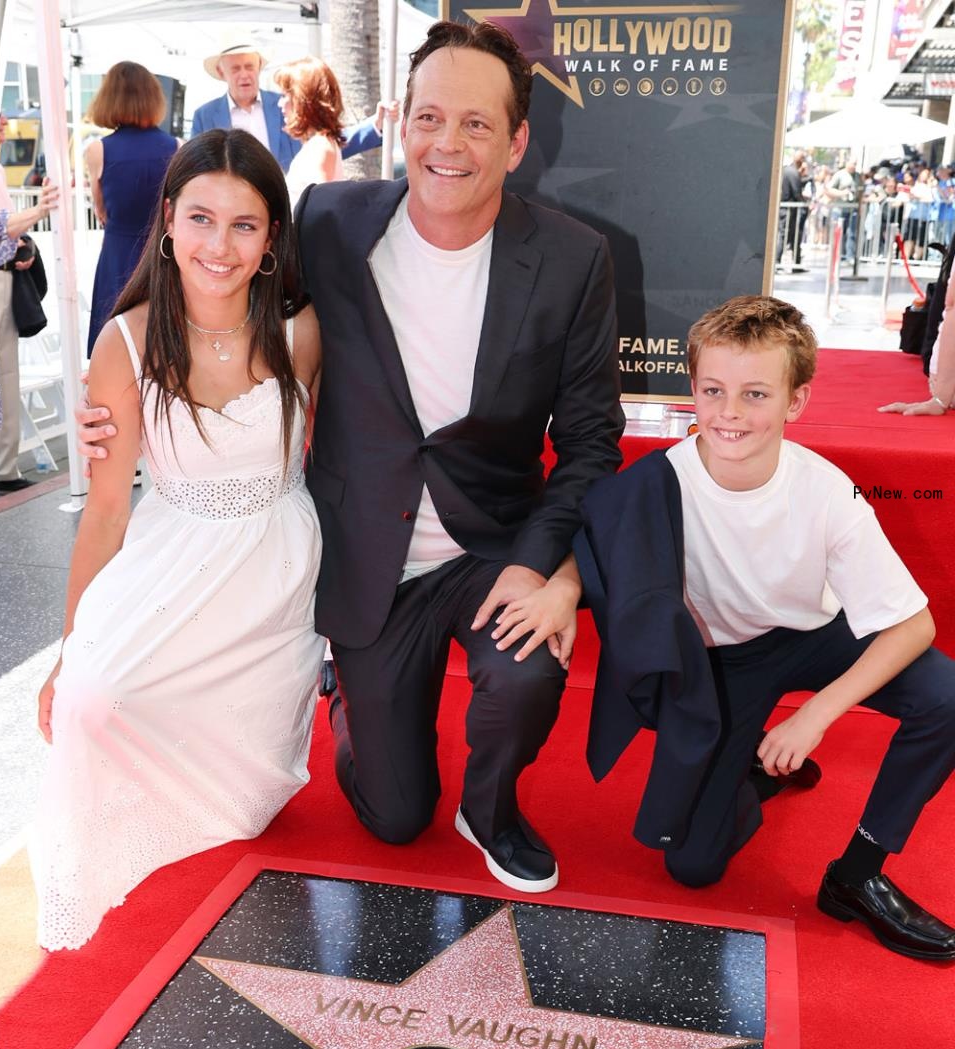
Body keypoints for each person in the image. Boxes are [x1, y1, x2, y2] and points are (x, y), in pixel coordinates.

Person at [82, 21, 623, 890]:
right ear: (401, 121)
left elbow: (593, 443)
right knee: (392, 816)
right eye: (430, 117)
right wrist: (132, 391)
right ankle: (355, 709)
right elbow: (232, 298)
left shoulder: (573, 260)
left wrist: (547, 568)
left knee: (526, 674)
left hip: (493, 543)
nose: (448, 143)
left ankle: (491, 808)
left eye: (477, 125)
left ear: (517, 141)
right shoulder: (331, 222)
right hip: (366, 551)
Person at [576, 296, 955, 960]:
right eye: (714, 390)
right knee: (692, 866)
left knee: (945, 695)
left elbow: (914, 623)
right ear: (691, 388)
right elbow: (587, 548)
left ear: (796, 402)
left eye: (756, 394)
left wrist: (817, 714)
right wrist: (554, 587)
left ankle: (858, 875)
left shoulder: (825, 491)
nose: (729, 413)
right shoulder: (657, 482)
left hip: (819, 634)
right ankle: (757, 771)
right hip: (729, 661)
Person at [33, 130, 322, 952]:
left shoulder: (301, 332)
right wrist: (68, 649)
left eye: (243, 225)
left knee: (245, 806)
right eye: (200, 218)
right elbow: (105, 513)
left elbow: (326, 457)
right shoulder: (124, 342)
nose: (218, 246)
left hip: (271, 569)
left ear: (272, 240)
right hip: (169, 549)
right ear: (167, 222)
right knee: (92, 702)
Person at [0, 168, 59, 504]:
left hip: (4, 277)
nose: (5, 122)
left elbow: (4, 224)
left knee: (6, 376)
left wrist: (25, 243)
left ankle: (3, 466)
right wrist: (38, 211)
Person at [82, 61, 178, 354]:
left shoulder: (98, 150)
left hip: (118, 255)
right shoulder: (176, 146)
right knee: (163, 346)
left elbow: (101, 211)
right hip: (162, 255)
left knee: (116, 345)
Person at [190, 43, 392, 169]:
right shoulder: (204, 116)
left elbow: (327, 143)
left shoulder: (286, 105)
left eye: (249, 66)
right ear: (221, 72)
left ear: (259, 67)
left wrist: (375, 125)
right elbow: (196, 167)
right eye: (235, 68)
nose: (244, 74)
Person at [275, 55, 346, 207]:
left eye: (284, 96)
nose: (280, 103)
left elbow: (321, 209)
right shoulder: (321, 144)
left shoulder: (320, 147)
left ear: (302, 99)